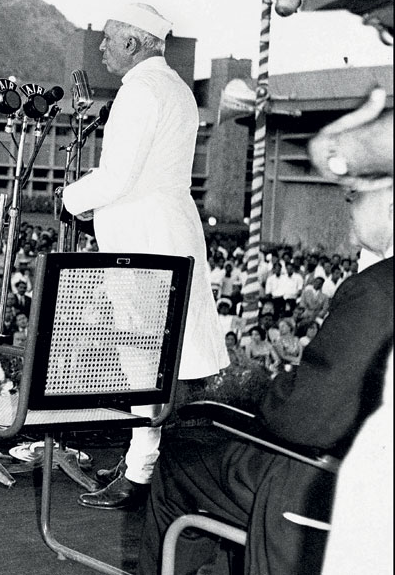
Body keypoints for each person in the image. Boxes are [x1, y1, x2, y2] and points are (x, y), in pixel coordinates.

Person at [137, 177, 393, 575]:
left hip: (321, 482)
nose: (349, 203)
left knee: (178, 459)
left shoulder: (377, 291)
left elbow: (301, 419)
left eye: (357, 195)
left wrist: (270, 389)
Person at [60, 3, 229, 509]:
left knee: (141, 357)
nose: (103, 47)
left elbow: (117, 178)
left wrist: (70, 199)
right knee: (151, 358)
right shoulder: (175, 87)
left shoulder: (139, 92)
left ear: (134, 43)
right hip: (164, 229)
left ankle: (138, 473)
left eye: (111, 39)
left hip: (145, 240)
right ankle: (141, 459)